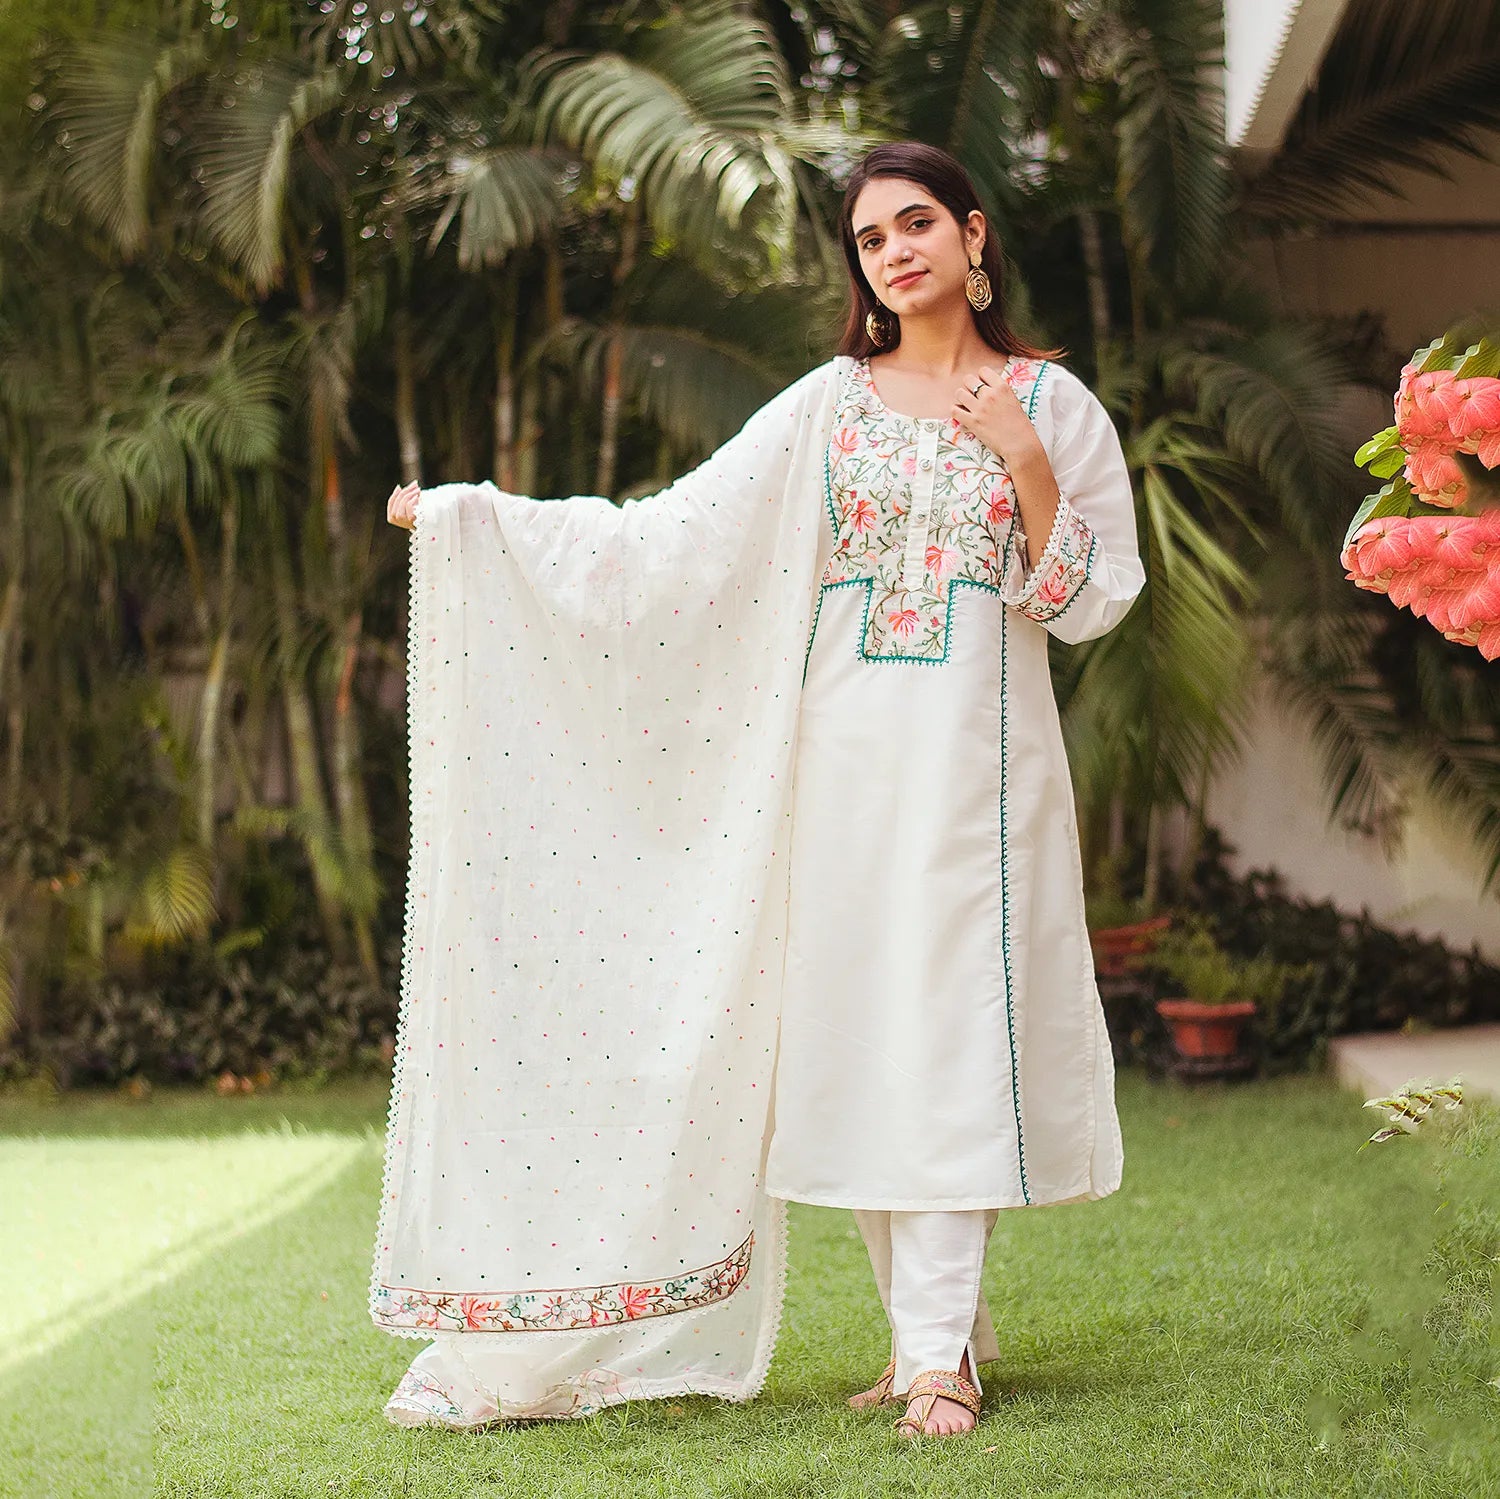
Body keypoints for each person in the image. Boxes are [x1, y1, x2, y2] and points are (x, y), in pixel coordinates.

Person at [378, 141, 1144, 1440]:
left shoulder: (1053, 406)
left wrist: (1021, 459)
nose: (896, 252)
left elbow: (1091, 603)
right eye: (871, 239)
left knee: (949, 1034)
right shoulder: (827, 406)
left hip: (979, 773)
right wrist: (478, 523)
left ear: (974, 238)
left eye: (918, 225)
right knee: (857, 1048)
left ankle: (942, 1357)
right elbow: (669, 535)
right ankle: (926, 1346)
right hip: (839, 770)